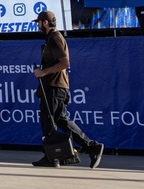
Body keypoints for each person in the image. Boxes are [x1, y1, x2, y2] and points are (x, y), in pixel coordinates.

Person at [31, 10, 104, 169]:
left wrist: (43, 72)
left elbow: (65, 62)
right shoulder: (53, 38)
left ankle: (53, 157)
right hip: (56, 87)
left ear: (45, 22)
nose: (37, 26)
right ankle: (84, 148)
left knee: (49, 121)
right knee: (60, 120)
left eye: (38, 23)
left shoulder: (54, 38)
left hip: (54, 87)